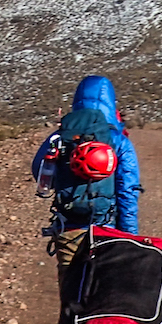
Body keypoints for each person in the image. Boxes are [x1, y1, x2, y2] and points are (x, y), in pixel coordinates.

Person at [31, 74, 142, 268]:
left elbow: (38, 171)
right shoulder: (118, 140)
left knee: (70, 279)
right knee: (107, 281)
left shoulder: (60, 136)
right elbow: (128, 191)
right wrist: (129, 237)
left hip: (69, 227)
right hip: (107, 229)